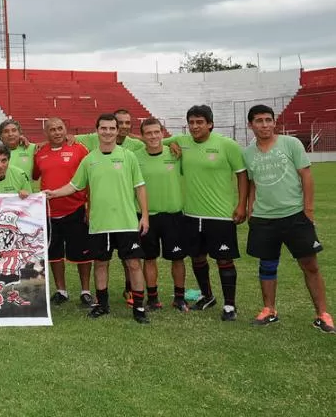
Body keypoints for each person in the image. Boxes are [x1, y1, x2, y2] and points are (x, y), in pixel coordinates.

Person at [44, 113, 151, 324]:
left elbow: (140, 187)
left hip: (126, 222)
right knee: (101, 264)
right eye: (104, 128)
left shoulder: (128, 156)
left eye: (112, 128)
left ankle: (139, 307)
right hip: (99, 224)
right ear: (98, 130)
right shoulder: (89, 159)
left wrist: (145, 216)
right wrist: (53, 193)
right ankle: (102, 305)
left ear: (117, 130)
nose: (108, 132)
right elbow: (75, 186)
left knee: (134, 264)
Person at [243, 105, 332, 333]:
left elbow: (306, 176)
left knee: (309, 265)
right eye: (259, 121)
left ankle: (323, 314)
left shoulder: (291, 144)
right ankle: (269, 310)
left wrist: (308, 211)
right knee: (267, 265)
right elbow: (253, 184)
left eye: (268, 120)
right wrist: (250, 208)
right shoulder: (248, 153)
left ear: (274, 122)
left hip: (294, 215)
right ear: (250, 125)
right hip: (263, 218)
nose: (264, 125)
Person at [166, 104, 248, 321]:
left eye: (200, 122)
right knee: (197, 257)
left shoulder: (227, 145)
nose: (194, 126)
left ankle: (230, 305)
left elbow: (242, 175)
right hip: (192, 214)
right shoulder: (182, 142)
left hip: (220, 215)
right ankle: (207, 295)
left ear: (210, 124)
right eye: (191, 122)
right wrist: (171, 143)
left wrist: (242, 205)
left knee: (224, 259)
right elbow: (149, 139)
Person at [33, 117, 93, 306]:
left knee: (82, 253)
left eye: (60, 128)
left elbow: (90, 178)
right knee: (54, 253)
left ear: (66, 130)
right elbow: (35, 175)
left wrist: (89, 205)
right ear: (46, 133)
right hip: (49, 213)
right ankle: (61, 291)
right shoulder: (40, 153)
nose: (57, 132)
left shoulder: (79, 148)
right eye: (52, 129)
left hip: (75, 209)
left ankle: (85, 290)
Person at [136, 118, 190, 312]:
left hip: (173, 215)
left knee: (178, 258)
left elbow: (184, 139)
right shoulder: (135, 157)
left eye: (156, 132)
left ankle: (179, 298)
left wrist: (169, 143)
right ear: (142, 136)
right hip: (146, 216)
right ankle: (152, 299)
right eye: (148, 133)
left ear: (162, 133)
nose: (153, 136)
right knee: (149, 258)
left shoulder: (175, 153)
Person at [73, 109, 145, 153]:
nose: (124, 126)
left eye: (127, 123)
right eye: (120, 123)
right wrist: (70, 137)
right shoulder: (94, 138)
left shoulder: (136, 144)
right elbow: (70, 138)